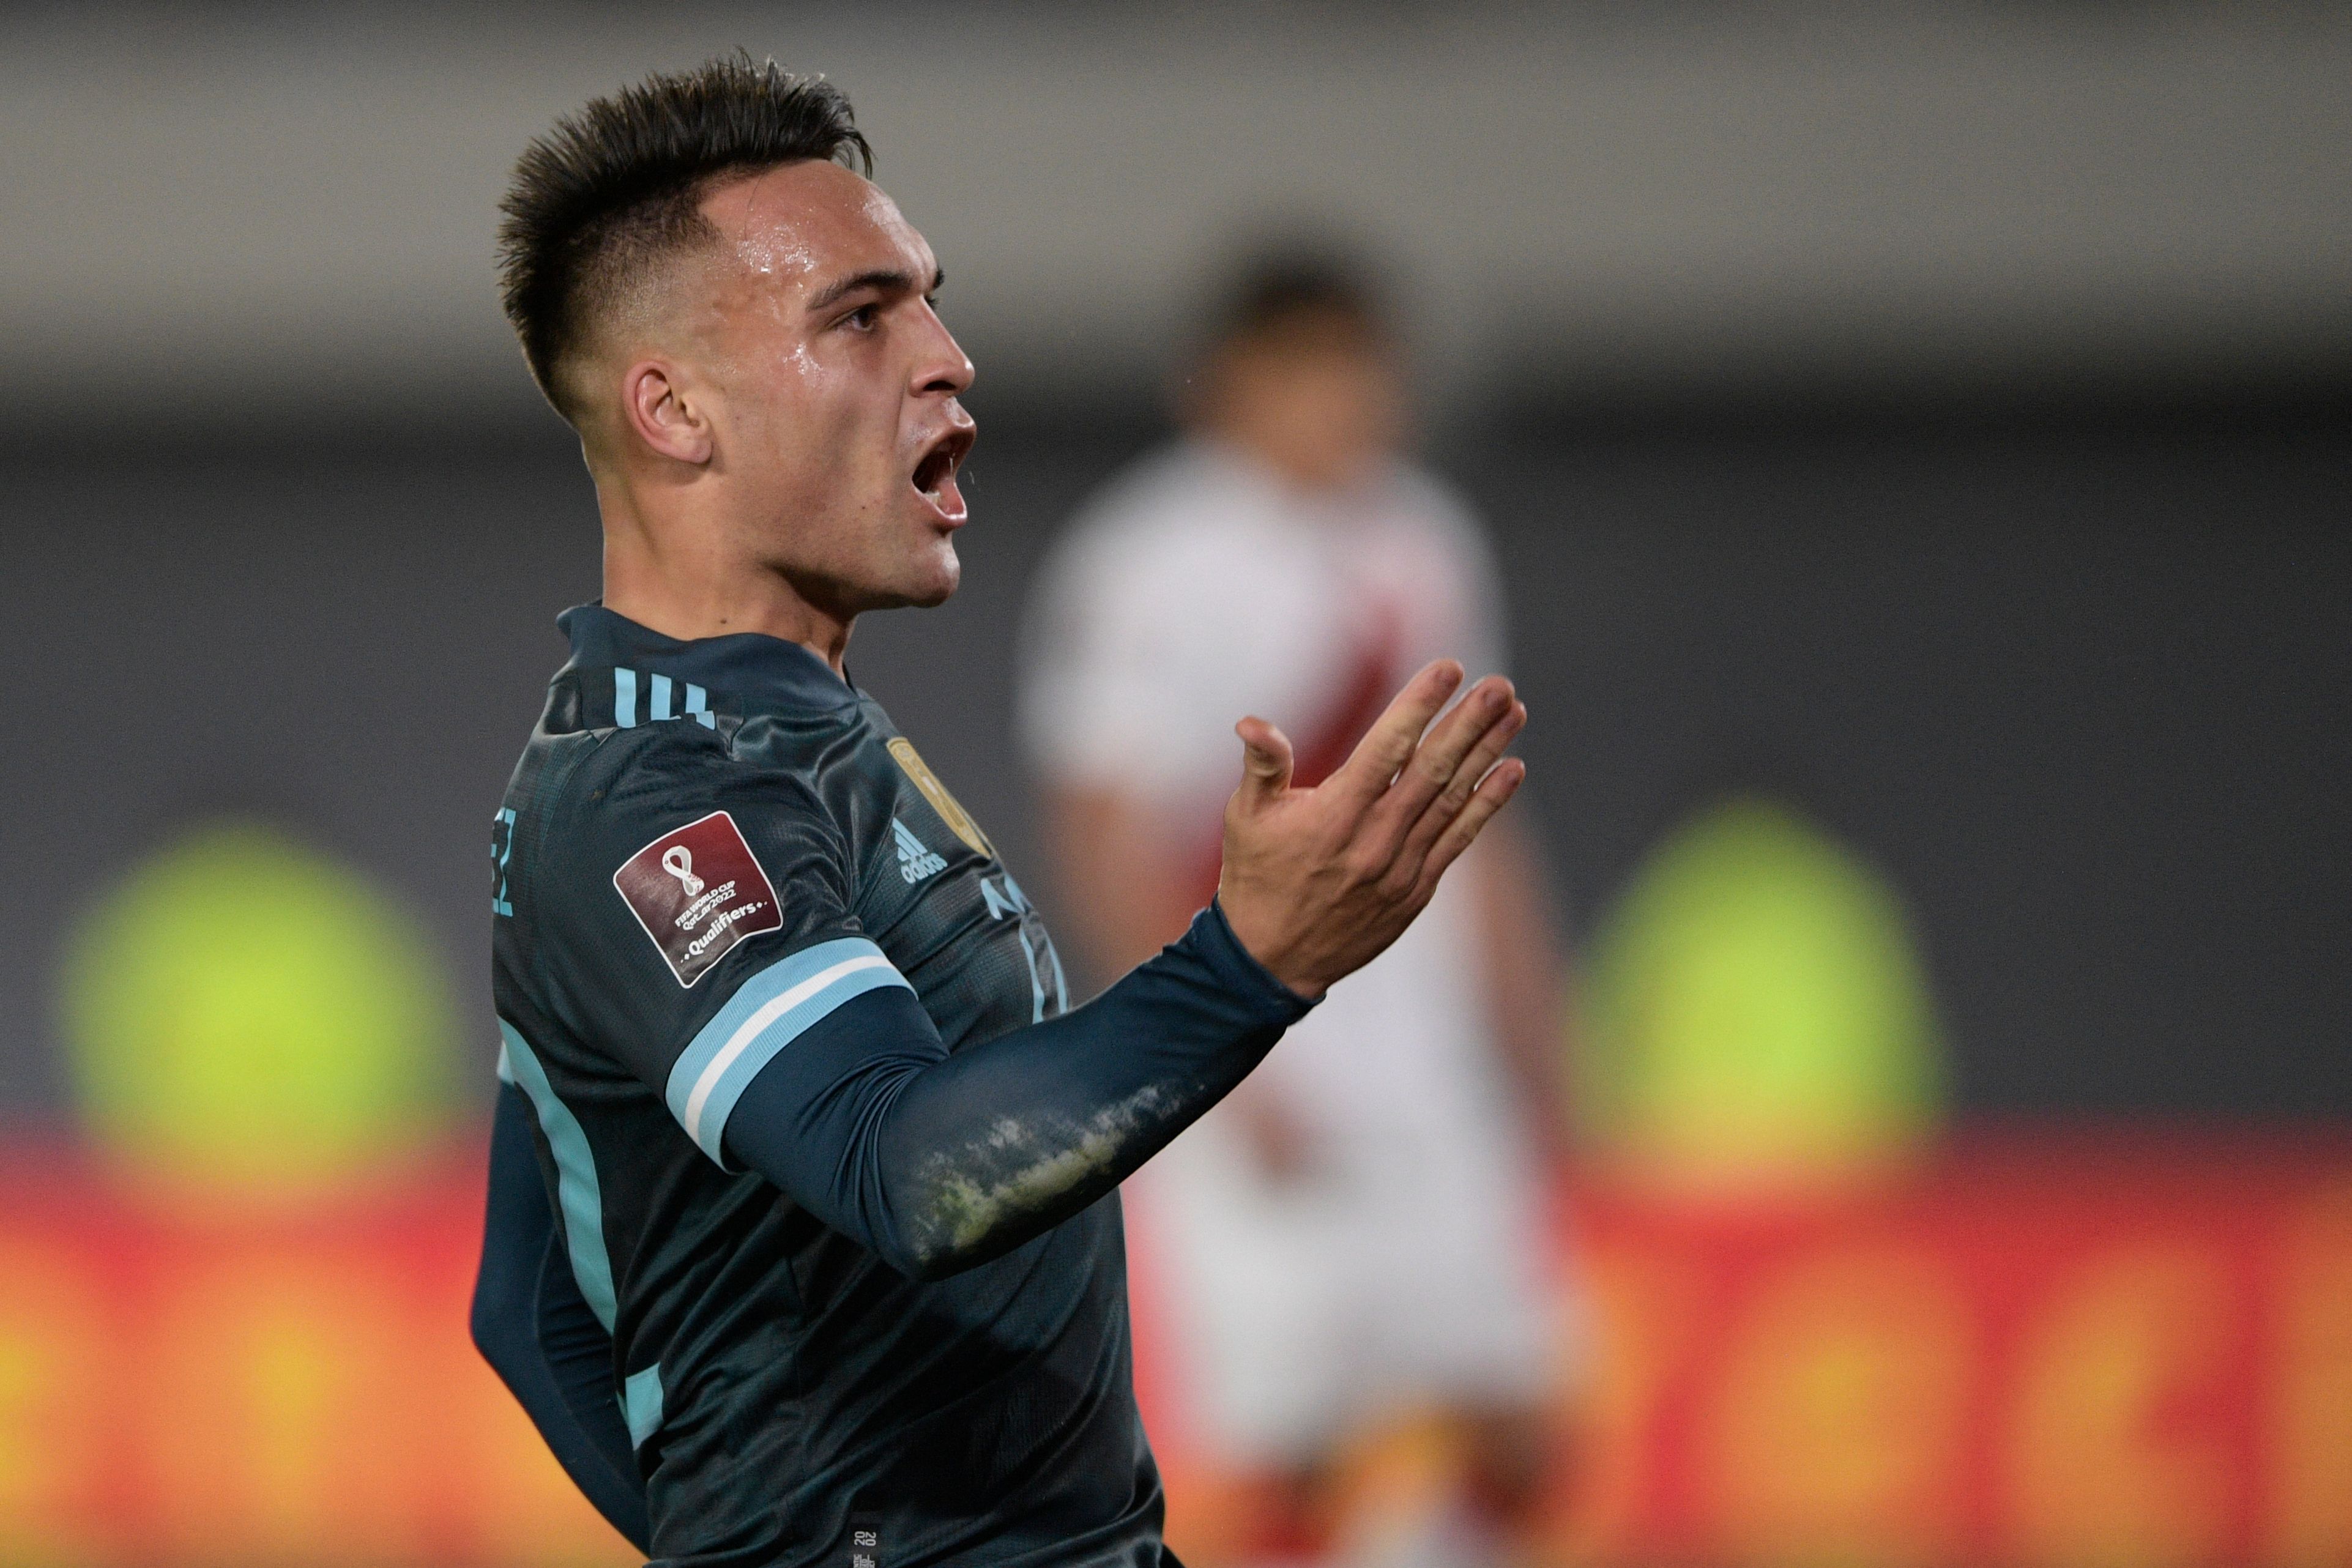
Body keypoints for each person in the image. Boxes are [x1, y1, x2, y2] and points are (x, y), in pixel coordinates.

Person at [463, 56, 1530, 1568]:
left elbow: (530, 1306)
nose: (950, 356)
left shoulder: (789, 732)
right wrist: (1252, 964)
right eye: (860, 313)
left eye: (928, 299)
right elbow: (909, 1168)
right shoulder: (664, 798)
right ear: (674, 410)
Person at [1019, 253, 1571, 1564]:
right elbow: (1103, 825)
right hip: (1252, 1030)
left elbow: (1479, 813)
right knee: (1285, 1443)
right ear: (1227, 384)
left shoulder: (1421, 537)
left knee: (1518, 1424)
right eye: (1311, 367)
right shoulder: (1148, 555)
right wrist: (1193, 1051)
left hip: (1422, 1060)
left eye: (1363, 367)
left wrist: (1534, 1029)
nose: (1347, 400)